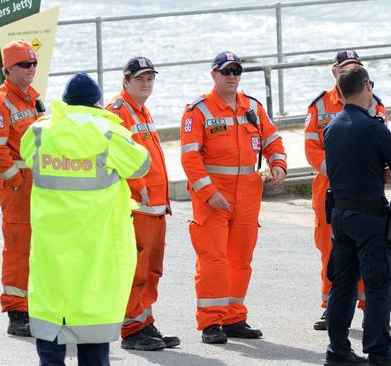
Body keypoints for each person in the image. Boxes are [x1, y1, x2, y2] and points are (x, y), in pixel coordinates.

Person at [20, 72, 150, 366]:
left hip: (51, 245)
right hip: (96, 244)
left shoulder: (40, 132)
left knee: (51, 316)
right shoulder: (108, 133)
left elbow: (26, 154)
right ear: (97, 102)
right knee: (92, 319)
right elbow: (141, 165)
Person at [180, 51, 287, 344]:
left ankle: (233, 317)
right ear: (213, 74)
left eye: (236, 71)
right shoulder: (198, 110)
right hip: (213, 197)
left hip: (248, 195)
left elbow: (272, 139)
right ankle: (211, 322)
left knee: (241, 259)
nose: (231, 76)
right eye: (225, 71)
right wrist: (209, 192)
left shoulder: (251, 106)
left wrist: (278, 164)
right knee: (213, 259)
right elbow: (190, 158)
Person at [323, 64, 391, 366]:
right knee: (377, 285)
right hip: (370, 218)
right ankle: (378, 352)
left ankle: (337, 350)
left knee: (343, 285)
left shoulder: (332, 127)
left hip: (341, 215)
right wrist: (382, 171)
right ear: (366, 87)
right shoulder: (373, 126)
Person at [304, 50, 387, 330]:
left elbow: (381, 143)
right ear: (334, 71)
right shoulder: (319, 105)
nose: (348, 71)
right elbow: (311, 147)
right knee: (329, 249)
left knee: (367, 249)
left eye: (354, 67)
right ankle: (331, 306)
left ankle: (366, 307)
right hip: (328, 188)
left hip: (363, 188)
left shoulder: (374, 103)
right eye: (344, 67)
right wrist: (337, 170)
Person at [106, 56, 180, 351]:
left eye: (150, 79)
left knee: (151, 269)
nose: (146, 84)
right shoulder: (117, 111)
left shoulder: (142, 110)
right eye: (140, 79)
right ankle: (132, 328)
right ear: (125, 81)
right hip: (138, 206)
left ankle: (145, 322)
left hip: (156, 205)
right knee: (135, 269)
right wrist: (138, 188)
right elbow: (115, 155)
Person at [0, 40, 44, 337]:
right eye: (24, 64)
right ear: (8, 69)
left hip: (37, 187)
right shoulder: (0, 101)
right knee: (19, 249)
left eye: (33, 63)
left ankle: (31, 304)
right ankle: (16, 313)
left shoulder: (31, 98)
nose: (31, 69)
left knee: (37, 248)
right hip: (18, 189)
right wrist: (17, 182)